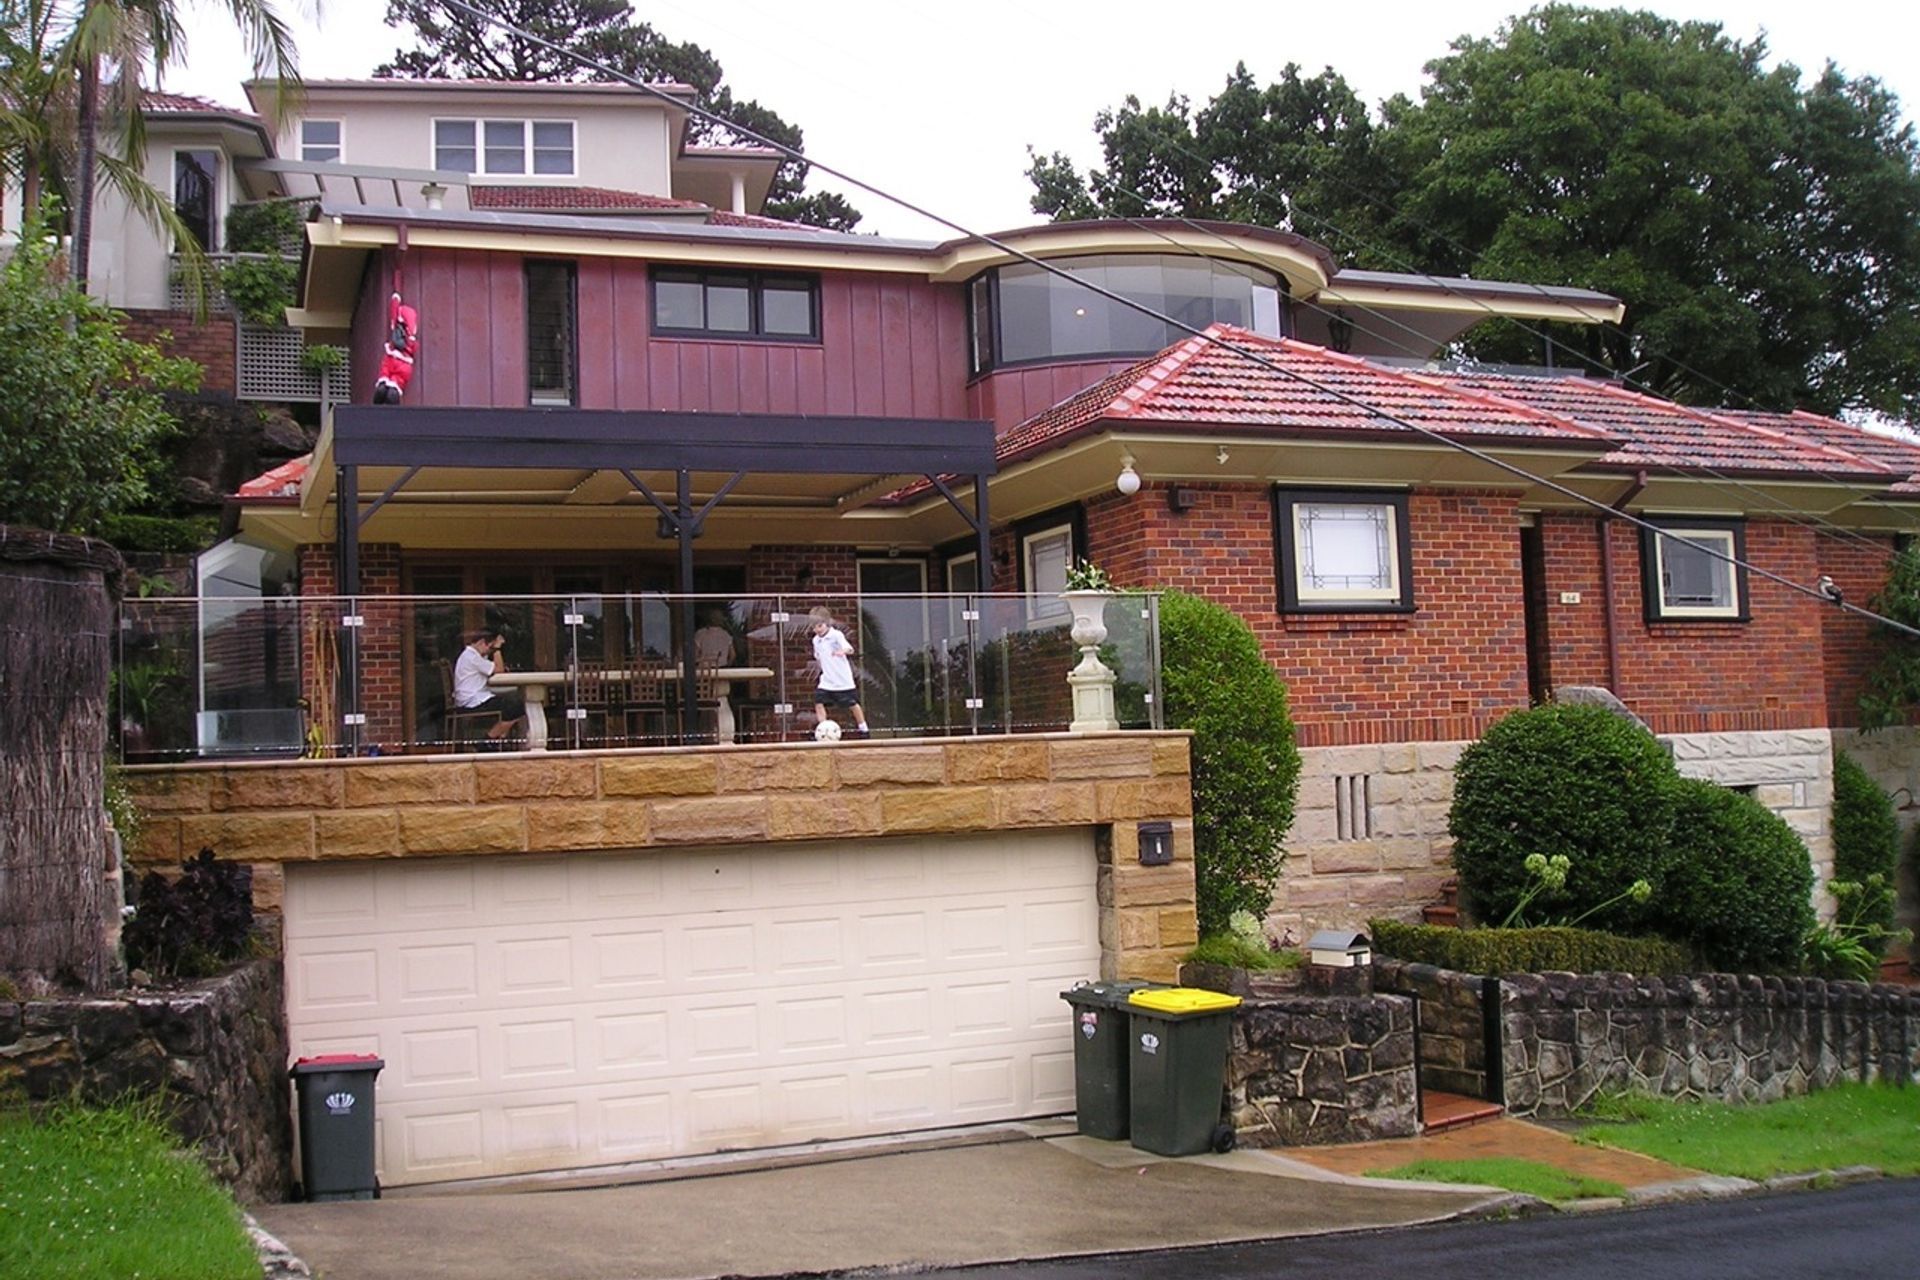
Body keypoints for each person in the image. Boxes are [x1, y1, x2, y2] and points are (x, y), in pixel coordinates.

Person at [453, 629, 526, 742]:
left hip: (474, 697)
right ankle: (488, 740)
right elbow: (499, 670)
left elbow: (494, 669)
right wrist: (497, 649)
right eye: (490, 648)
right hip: (473, 701)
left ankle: (498, 738)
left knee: (513, 702)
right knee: (517, 706)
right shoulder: (472, 657)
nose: (489, 652)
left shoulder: (471, 656)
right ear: (482, 642)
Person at [807, 606, 868, 736]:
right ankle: (823, 730)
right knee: (818, 702)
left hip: (842, 680)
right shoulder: (816, 640)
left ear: (827, 623)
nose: (817, 630)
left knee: (852, 704)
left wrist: (842, 651)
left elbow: (849, 649)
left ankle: (863, 728)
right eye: (814, 627)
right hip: (827, 680)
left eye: (820, 626)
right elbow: (818, 657)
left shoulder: (836, 635)